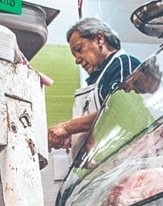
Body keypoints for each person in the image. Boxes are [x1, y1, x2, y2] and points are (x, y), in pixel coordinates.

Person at [47, 18, 142, 154]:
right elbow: (100, 120)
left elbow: (118, 112)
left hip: (127, 158)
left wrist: (68, 128)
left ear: (99, 39)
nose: (77, 60)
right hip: (103, 166)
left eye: (79, 49)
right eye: (74, 54)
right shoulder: (96, 79)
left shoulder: (122, 64)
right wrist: (77, 136)